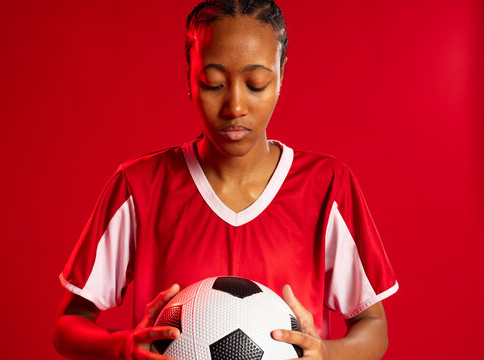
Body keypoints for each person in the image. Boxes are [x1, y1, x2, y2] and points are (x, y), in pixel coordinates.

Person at [53, 1, 398, 359]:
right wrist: (125, 346)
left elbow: (373, 327)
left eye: (256, 84)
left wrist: (325, 353)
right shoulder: (139, 187)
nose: (235, 106)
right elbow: (68, 325)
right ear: (189, 76)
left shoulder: (327, 186)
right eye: (213, 83)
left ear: (281, 75)